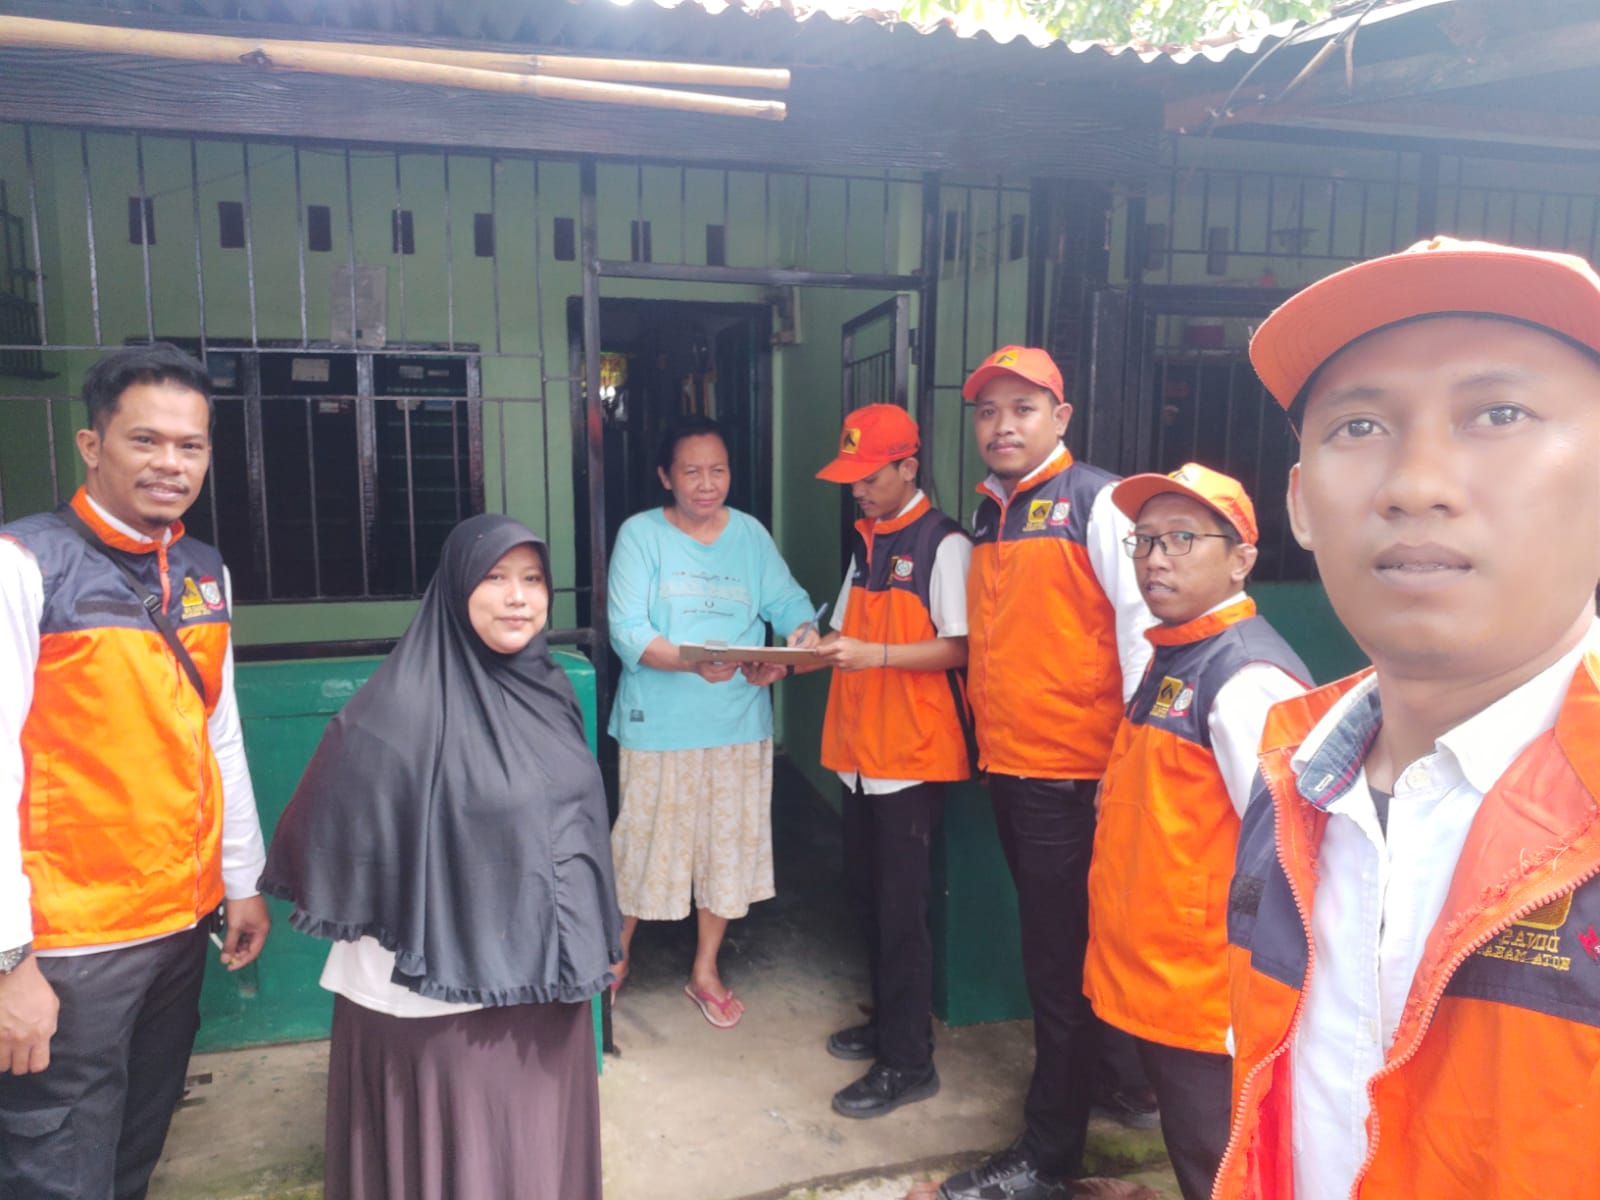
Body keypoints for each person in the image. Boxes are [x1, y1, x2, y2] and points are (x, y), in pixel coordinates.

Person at [1216, 237, 1600, 1200]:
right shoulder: (1292, 777)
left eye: (1499, 414)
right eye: (1359, 426)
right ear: (1301, 504)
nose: (1414, 482)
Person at [259, 513, 622, 1200]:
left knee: (533, 1156)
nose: (518, 598)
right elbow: (334, 827)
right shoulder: (398, 711)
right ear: (455, 589)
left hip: (546, 986)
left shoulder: (548, 690)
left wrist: (594, 937)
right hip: (441, 999)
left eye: (533, 580)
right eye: (495, 578)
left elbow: (572, 826)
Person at [0, 342, 271, 1199]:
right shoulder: (24, 565)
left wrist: (241, 879)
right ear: (92, 445)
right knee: (54, 1167)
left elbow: (217, 732)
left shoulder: (203, 571)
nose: (170, 464)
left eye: (190, 445)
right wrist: (9, 960)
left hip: (178, 925)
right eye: (145, 440)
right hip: (69, 944)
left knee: (132, 1153)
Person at [936, 346, 1154, 1200]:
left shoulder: (1097, 502)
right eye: (988, 412)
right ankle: (1119, 1084)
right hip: (1016, 766)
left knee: (1057, 964)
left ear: (1060, 418)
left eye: (1022, 409)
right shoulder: (993, 511)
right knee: (1072, 947)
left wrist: (1128, 767)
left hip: (1076, 775)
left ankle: (1049, 1152)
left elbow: (1142, 634)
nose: (1003, 426)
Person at [1081, 463, 1307, 1200]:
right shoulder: (1176, 651)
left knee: (1220, 1171)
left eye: (1182, 539)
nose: (1156, 558)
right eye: (1145, 541)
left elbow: (1292, 852)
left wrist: (1257, 1003)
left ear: (1241, 559)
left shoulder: (1245, 679)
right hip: (1163, 981)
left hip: (1209, 997)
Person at [607, 415, 817, 1029]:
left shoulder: (749, 535)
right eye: (692, 471)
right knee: (642, 845)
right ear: (665, 477)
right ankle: (614, 960)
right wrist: (691, 663)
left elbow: (793, 606)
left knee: (727, 850)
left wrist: (795, 650)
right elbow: (627, 629)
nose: (706, 484)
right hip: (659, 724)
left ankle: (704, 970)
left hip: (737, 724)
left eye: (718, 470)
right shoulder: (640, 535)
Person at [808, 404, 973, 1118]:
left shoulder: (943, 544)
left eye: (870, 477)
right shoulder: (867, 540)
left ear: (909, 467)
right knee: (869, 900)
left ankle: (908, 1063)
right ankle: (888, 1026)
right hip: (859, 753)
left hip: (909, 758)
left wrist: (875, 654)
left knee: (904, 916)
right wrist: (786, 660)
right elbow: (838, 635)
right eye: (852, 479)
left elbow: (960, 647)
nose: (858, 491)